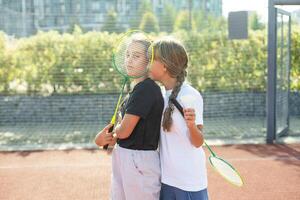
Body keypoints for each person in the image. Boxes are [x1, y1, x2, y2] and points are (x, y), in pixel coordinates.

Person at [94, 34, 164, 200]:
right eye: (127, 55)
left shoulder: (146, 89)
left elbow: (124, 131)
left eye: (136, 56)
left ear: (149, 62)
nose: (129, 60)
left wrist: (116, 133)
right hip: (126, 158)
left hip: (138, 162)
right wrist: (103, 138)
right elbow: (116, 134)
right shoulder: (134, 91)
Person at [148, 37, 209, 200]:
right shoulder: (159, 95)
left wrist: (191, 125)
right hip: (166, 181)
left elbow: (198, 142)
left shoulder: (190, 96)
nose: (148, 62)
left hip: (189, 183)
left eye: (153, 59)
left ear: (165, 66)